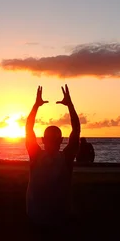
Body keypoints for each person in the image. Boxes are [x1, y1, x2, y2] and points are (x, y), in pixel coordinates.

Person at [25, 85, 81, 226]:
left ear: (43, 140)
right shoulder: (66, 158)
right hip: (59, 218)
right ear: (61, 140)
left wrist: (36, 106)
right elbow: (76, 130)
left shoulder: (36, 155)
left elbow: (28, 128)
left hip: (39, 218)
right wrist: (70, 105)